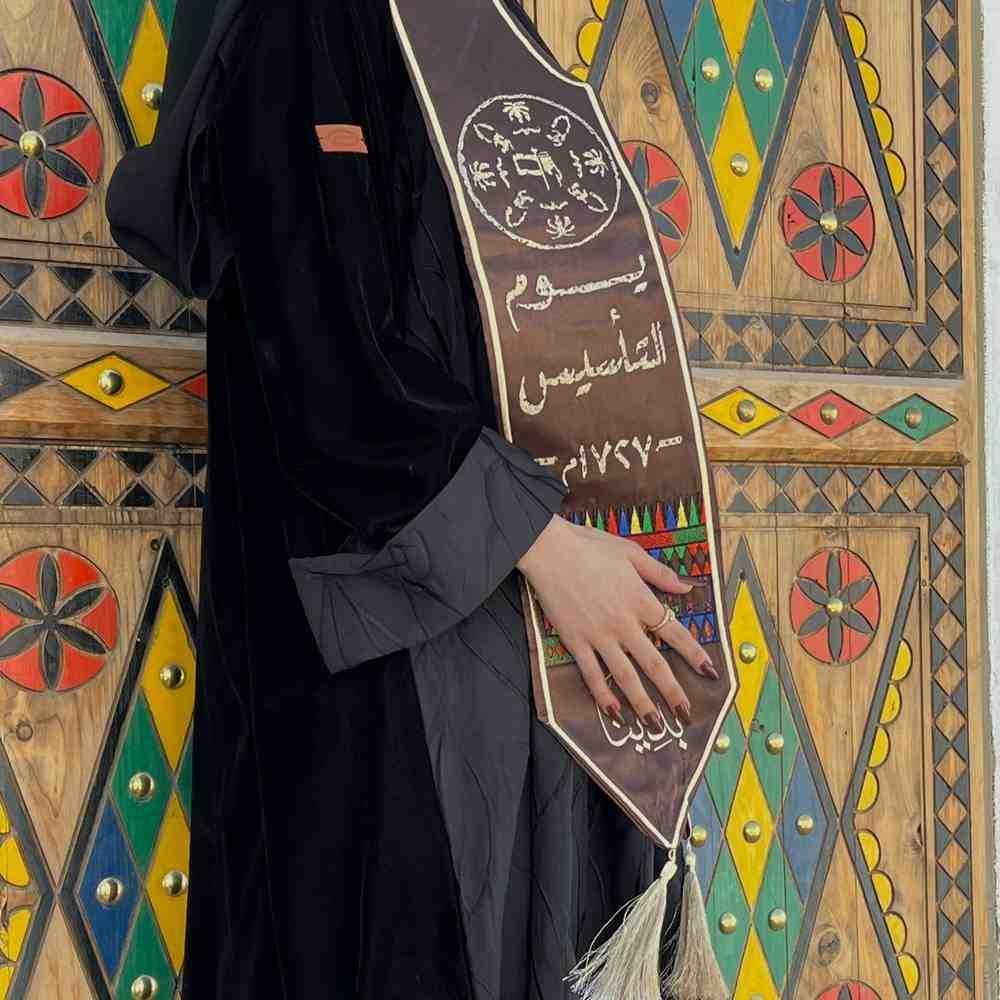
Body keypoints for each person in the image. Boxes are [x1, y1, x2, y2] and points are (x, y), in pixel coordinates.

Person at [107, 1, 717, 996]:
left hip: (546, 646)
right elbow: (327, 360)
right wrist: (546, 546)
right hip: (413, 662)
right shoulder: (305, 27)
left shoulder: (487, 29)